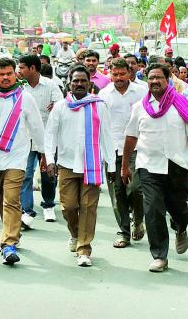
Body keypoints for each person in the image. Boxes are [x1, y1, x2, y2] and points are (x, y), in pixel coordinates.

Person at [121, 63, 188, 273]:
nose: (154, 82)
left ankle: (180, 228)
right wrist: (125, 166)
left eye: (159, 77)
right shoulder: (140, 107)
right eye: (151, 78)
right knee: (152, 210)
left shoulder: (181, 103)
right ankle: (160, 255)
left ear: (168, 79)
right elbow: (131, 137)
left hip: (177, 165)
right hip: (148, 166)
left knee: (178, 208)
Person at [0, 58, 46, 265]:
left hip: (17, 158)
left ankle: (8, 244)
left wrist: (43, 155)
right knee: (0, 199)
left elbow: (37, 130)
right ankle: (12, 232)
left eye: (9, 74)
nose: (5, 78)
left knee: (12, 199)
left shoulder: (25, 98)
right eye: (1, 74)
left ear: (15, 75)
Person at [45, 65, 115, 267]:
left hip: (90, 165)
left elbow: (107, 135)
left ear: (90, 83)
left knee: (88, 207)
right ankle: (75, 234)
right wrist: (50, 159)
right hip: (66, 164)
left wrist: (111, 166)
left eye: (83, 80)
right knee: (68, 207)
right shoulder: (60, 106)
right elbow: (50, 134)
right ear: (69, 83)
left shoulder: (99, 105)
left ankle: (84, 249)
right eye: (75, 80)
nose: (79, 84)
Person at [99, 59, 147, 248]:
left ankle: (138, 219)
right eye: (115, 74)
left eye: (122, 74)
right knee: (117, 192)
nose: (118, 78)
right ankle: (124, 232)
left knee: (136, 187)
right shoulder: (104, 94)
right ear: (110, 74)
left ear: (130, 72)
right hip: (111, 149)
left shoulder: (141, 92)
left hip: (137, 148)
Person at [17, 54, 64, 225]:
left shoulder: (51, 85)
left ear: (33, 69)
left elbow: (61, 106)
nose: (18, 71)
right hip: (26, 138)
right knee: (25, 174)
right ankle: (27, 210)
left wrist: (56, 107)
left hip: (47, 139)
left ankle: (48, 205)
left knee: (48, 174)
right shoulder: (19, 87)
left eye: (21, 67)